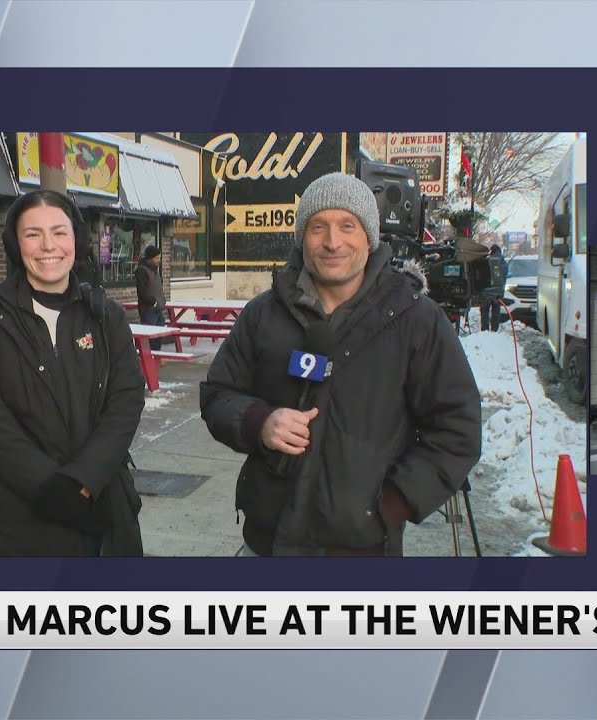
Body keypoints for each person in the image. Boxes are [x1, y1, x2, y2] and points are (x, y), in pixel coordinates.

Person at [199, 172, 482, 556]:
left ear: (369, 235)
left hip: (363, 556)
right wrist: (258, 421)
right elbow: (217, 394)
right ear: (302, 236)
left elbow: (457, 429)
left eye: (347, 226)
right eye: (318, 227)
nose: (333, 242)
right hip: (266, 545)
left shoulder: (416, 320)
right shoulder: (263, 315)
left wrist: (392, 504)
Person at [0, 190, 147, 556]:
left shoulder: (106, 316)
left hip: (100, 511)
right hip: (10, 519)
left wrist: (85, 481)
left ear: (76, 237)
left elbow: (126, 401)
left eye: (59, 232)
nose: (48, 246)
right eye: (33, 234)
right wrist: (49, 487)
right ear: (16, 243)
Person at [134, 244, 167, 351]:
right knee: (149, 336)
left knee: (158, 334)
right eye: (156, 258)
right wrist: (154, 302)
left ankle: (156, 355)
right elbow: (142, 292)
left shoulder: (155, 271)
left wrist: (161, 301)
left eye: (159, 258)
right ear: (150, 258)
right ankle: (148, 356)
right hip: (148, 309)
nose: (159, 261)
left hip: (157, 308)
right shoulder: (142, 271)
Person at [479, 244, 507, 331]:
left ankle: (485, 330)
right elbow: (504, 276)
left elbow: (482, 274)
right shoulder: (502, 261)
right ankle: (494, 330)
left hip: (486, 290)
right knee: (496, 311)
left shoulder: (487, 260)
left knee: (485, 311)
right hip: (498, 290)